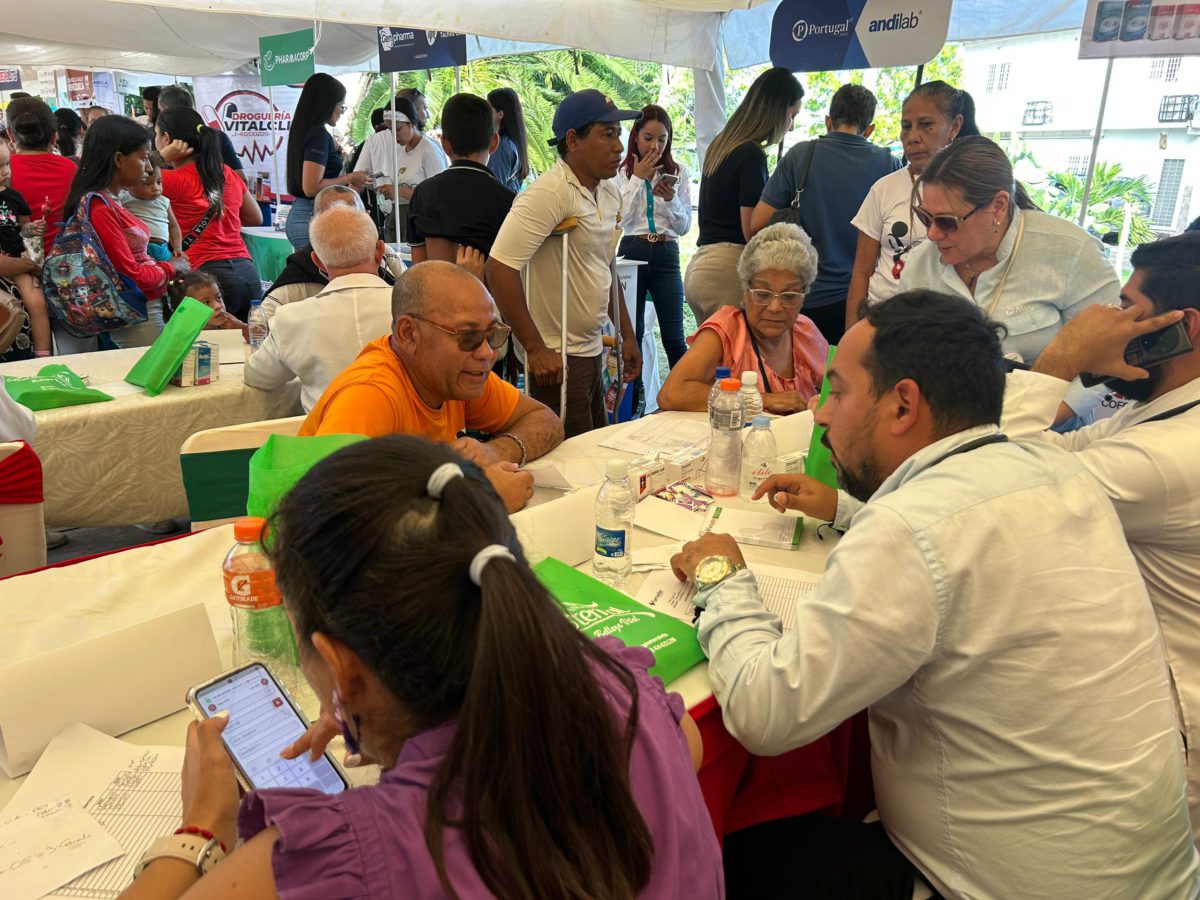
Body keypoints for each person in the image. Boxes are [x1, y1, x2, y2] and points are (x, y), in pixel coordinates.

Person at [670, 288, 1199, 897]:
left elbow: (766, 712)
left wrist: (721, 578)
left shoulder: (909, 527)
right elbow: (962, 539)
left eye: (837, 392)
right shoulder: (1057, 472)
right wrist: (845, 509)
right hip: (1148, 873)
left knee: (732, 850)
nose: (819, 414)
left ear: (903, 406)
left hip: (997, 887)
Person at [116, 433, 722, 900]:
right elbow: (684, 748)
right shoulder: (629, 694)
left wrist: (201, 827)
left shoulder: (349, 861)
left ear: (342, 668)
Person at [1001, 231, 1200, 841]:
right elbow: (1053, 452)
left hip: (1166, 735)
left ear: (1183, 327)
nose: (1109, 323)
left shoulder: (1168, 457)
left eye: (1126, 309)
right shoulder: (1160, 412)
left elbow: (996, 487)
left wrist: (1063, 356)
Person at [301, 261, 562, 513]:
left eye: (493, 335)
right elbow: (326, 514)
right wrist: (478, 499)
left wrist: (496, 451)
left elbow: (546, 420)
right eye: (468, 336)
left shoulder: (457, 377)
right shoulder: (369, 394)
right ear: (408, 334)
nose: (487, 353)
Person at [899, 135, 1118, 421]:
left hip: (1045, 429)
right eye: (925, 217)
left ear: (999, 206)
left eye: (947, 222)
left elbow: (1107, 352)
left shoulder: (1071, 251)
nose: (932, 234)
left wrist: (1033, 421)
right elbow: (903, 353)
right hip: (945, 425)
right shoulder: (920, 265)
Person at [486, 89, 642, 438]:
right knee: (566, 455)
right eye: (607, 134)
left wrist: (627, 335)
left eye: (618, 134)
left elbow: (605, 266)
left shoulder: (608, 191)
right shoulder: (549, 193)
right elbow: (499, 268)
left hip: (591, 349)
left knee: (594, 446)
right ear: (573, 140)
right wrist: (536, 349)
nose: (619, 146)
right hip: (557, 357)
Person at [751, 84, 901, 344]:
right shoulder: (889, 164)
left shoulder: (801, 155)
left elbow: (758, 222)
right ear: (869, 129)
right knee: (842, 368)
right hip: (862, 299)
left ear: (828, 121)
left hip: (803, 294)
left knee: (797, 368)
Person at [657, 223, 826, 414]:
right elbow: (671, 394)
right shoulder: (726, 331)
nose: (775, 307)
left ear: (804, 295)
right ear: (745, 291)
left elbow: (838, 390)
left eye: (789, 296)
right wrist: (763, 400)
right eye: (762, 294)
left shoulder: (805, 331)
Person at [847, 81, 977, 326]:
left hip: (942, 327)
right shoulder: (884, 189)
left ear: (954, 126)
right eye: (906, 126)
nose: (912, 137)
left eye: (926, 125)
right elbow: (862, 272)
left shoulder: (974, 191)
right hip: (881, 323)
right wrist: (851, 334)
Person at [244, 206, 394, 411]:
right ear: (380, 251)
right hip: (411, 431)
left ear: (317, 261)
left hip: (326, 430)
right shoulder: (417, 309)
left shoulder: (291, 318)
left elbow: (257, 376)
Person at [685, 67, 803, 326]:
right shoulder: (751, 154)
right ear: (777, 110)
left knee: (710, 351)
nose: (791, 125)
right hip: (728, 270)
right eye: (792, 115)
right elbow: (752, 229)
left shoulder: (722, 145)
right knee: (736, 351)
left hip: (701, 266)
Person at [60, 116, 189, 351]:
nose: (148, 168)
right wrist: (172, 267)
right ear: (119, 159)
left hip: (143, 307)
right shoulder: (101, 209)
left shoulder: (111, 201)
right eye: (143, 158)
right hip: (138, 313)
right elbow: (130, 276)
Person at [155, 106, 263, 321]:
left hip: (203, 282)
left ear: (166, 138)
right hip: (247, 273)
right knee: (245, 339)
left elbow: (125, 180)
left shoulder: (168, 180)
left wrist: (159, 157)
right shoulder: (227, 173)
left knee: (207, 342)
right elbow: (255, 217)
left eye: (156, 134)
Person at [616, 104, 692, 397]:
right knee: (631, 335)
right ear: (636, 136)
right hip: (632, 250)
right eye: (648, 138)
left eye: (662, 139)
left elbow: (684, 227)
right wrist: (638, 179)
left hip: (666, 253)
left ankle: (683, 396)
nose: (655, 146)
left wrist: (671, 200)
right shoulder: (621, 173)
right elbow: (619, 220)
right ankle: (634, 402)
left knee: (674, 337)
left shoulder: (678, 172)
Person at [261, 184, 401, 320]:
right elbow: (258, 323)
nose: (342, 223)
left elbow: (407, 291)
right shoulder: (298, 274)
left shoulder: (386, 255)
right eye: (330, 216)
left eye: (352, 215)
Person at [407, 92, 515, 266]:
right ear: (494, 142)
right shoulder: (507, 202)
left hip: (434, 282)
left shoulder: (422, 194)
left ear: (445, 144)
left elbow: (418, 269)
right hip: (482, 284)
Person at [284, 73, 368, 249]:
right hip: (312, 215)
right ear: (327, 104)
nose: (342, 112)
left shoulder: (306, 131)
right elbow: (311, 187)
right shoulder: (318, 135)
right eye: (341, 106)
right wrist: (350, 178)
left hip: (304, 214)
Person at [353, 97, 446, 243]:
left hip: (420, 221)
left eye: (398, 129)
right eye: (390, 130)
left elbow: (438, 197)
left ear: (412, 123)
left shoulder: (429, 150)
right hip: (397, 217)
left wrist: (399, 192)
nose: (394, 135)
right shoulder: (401, 149)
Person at [7, 96, 78, 260]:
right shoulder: (71, 168)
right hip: (66, 263)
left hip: (16, 266)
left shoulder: (5, 170)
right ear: (54, 135)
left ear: (10, 134)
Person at [0, 142, 51, 357]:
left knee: (36, 302)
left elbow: (24, 227)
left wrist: (33, 228)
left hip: (16, 259)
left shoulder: (14, 196)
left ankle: (42, 355)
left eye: (7, 164)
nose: (5, 171)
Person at [156, 85, 247, 184]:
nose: (159, 116)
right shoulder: (214, 135)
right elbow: (241, 181)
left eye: (160, 111)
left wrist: (160, 157)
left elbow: (143, 181)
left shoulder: (168, 180)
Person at [119, 155, 182, 262]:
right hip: (137, 249)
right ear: (129, 185)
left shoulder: (164, 201)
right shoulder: (123, 198)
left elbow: (173, 226)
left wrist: (177, 247)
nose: (156, 188)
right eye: (148, 183)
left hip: (162, 248)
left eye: (159, 182)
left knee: (173, 268)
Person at [164, 269, 245, 331]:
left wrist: (241, 328)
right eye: (206, 302)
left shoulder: (231, 326)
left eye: (218, 297)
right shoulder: (183, 339)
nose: (218, 306)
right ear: (186, 311)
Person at [486, 86, 529, 193]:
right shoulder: (512, 143)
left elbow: (494, 189)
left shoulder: (501, 146)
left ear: (500, 114)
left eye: (488, 109)